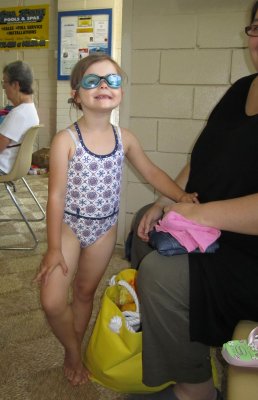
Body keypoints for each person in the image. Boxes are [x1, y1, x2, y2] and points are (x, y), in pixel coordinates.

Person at [34, 53, 198, 387]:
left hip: (104, 228)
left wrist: (181, 197)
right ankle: (72, 348)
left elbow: (151, 172)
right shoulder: (65, 140)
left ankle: (73, 352)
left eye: (113, 80)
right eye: (92, 81)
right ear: (77, 94)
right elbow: (55, 197)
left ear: (121, 92)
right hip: (68, 225)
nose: (104, 86)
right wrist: (53, 248)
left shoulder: (126, 138)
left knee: (83, 293)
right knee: (52, 301)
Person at [128, 2, 258, 400]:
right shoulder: (242, 88)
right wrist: (169, 200)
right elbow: (201, 157)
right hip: (213, 227)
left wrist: (194, 212)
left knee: (161, 276)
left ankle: (194, 389)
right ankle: (189, 346)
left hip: (249, 251)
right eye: (256, 26)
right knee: (142, 229)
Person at [0, 60, 39, 173]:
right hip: (11, 165)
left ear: (15, 85)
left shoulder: (19, 113)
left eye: (4, 83)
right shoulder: (30, 109)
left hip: (3, 166)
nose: (4, 88)